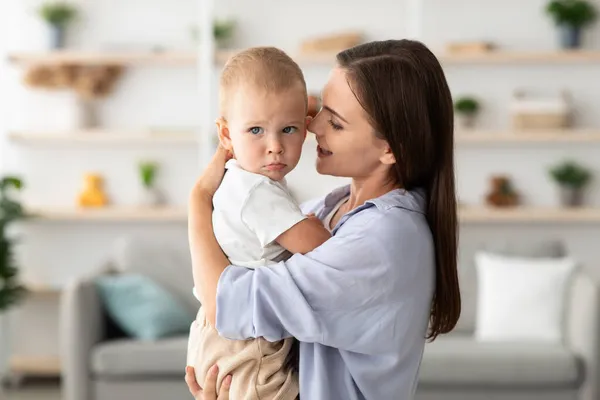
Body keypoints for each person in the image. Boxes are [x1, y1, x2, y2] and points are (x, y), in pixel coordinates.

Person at [186, 39, 462, 400]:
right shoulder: (329, 209)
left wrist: (198, 199)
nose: (313, 127)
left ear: (389, 148)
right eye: (318, 110)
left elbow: (226, 304)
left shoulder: (384, 239)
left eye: (336, 121)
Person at [186, 46, 332, 400]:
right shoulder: (256, 192)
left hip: (221, 333)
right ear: (225, 136)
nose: (275, 146)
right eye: (255, 130)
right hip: (248, 341)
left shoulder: (239, 179)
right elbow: (321, 247)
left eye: (289, 129)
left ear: (306, 127)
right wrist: (312, 224)